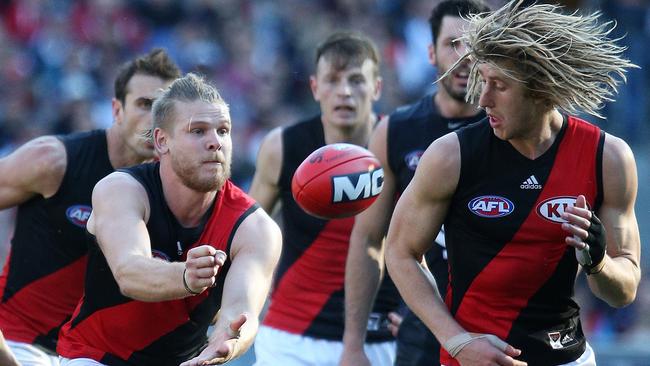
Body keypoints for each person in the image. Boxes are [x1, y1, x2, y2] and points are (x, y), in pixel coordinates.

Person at [385, 1, 642, 365]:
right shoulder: (451, 156)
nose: (483, 98)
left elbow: (622, 292)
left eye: (499, 86)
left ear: (542, 89)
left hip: (567, 357)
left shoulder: (608, 157)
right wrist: (456, 341)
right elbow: (399, 252)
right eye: (483, 80)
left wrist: (598, 261)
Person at [56, 73, 282, 366]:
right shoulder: (121, 190)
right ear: (162, 141)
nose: (215, 142)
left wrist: (225, 343)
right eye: (198, 131)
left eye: (223, 131)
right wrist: (187, 277)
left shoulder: (255, 227)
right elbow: (130, 272)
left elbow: (241, 311)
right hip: (95, 356)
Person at [0, 48, 181, 365]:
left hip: (90, 355)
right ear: (116, 110)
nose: (153, 119)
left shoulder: (174, 188)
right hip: (18, 344)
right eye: (144, 104)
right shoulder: (54, 160)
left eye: (164, 109)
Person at [339, 1, 490, 366]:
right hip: (423, 332)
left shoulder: (512, 129)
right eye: (452, 44)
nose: (464, 56)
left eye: (474, 46)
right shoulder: (394, 131)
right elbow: (369, 239)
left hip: (499, 325)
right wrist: (353, 344)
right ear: (430, 52)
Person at [249, 31, 399, 366]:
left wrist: (416, 314)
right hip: (289, 335)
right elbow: (246, 231)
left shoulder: (401, 145)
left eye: (357, 80)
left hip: (380, 336)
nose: (344, 91)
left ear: (377, 87)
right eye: (332, 80)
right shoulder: (282, 146)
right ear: (315, 88)